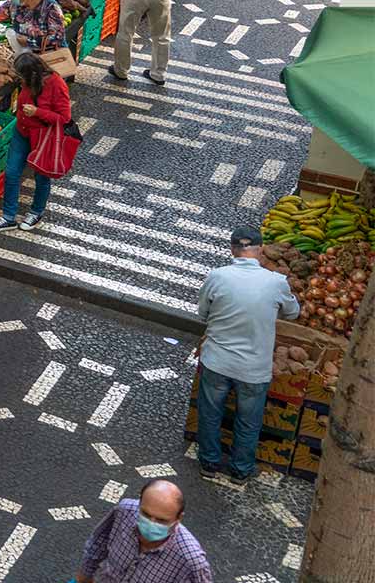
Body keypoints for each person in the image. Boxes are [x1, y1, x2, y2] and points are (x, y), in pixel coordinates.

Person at [195, 227, 300, 485]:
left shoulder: (217, 276)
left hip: (217, 361)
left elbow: (202, 314)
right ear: (261, 250)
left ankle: (209, 463)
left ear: (232, 249)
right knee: (248, 422)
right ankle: (241, 470)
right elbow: (292, 313)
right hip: (254, 369)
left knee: (210, 414)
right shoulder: (276, 282)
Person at [0, 50, 71, 233]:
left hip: (43, 137)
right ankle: (8, 217)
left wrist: (37, 112)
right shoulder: (27, 81)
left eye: (21, 75)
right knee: (11, 172)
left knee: (41, 176)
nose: (19, 79)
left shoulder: (56, 84)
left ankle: (36, 212)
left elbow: (64, 118)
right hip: (22, 132)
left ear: (31, 74)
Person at [76, 480, 212, 583]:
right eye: (145, 514)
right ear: (139, 503)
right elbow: (97, 544)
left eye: (161, 520)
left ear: (178, 518)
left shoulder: (191, 561)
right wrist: (83, 578)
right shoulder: (124, 511)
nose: (151, 524)